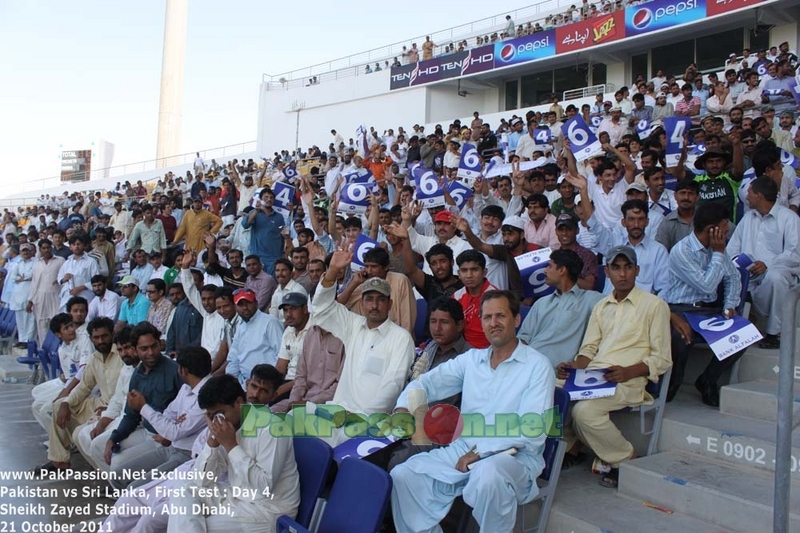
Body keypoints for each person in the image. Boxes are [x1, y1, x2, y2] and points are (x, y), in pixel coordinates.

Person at [390, 290, 555, 533]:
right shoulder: (472, 360)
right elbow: (427, 383)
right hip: (464, 449)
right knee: (404, 475)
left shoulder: (537, 366)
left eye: (501, 315)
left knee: (488, 475)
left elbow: (532, 429)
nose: (493, 323)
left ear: (516, 320)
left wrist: (482, 452)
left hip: (513, 457)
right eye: (487, 317)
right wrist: (404, 405)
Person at [558, 246, 671, 488]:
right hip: (596, 375)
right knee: (544, 388)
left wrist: (628, 372)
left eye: (628, 267)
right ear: (607, 272)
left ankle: (626, 458)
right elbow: (588, 349)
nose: (623, 274)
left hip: (628, 379)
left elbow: (662, 359)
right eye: (616, 268)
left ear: (637, 270)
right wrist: (574, 367)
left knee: (583, 412)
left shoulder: (655, 305)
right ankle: (566, 446)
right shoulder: (601, 306)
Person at [165, 374, 301, 533]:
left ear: (238, 402)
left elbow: (264, 486)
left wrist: (231, 445)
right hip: (236, 495)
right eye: (211, 416)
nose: (216, 420)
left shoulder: (272, 428)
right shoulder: (227, 425)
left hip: (268, 509)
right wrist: (212, 443)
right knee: (184, 489)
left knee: (201, 528)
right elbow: (201, 482)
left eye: (219, 413)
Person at [311, 251, 415, 445]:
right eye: (369, 299)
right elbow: (321, 310)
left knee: (323, 447)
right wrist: (332, 271)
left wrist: (361, 417)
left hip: (368, 424)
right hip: (337, 411)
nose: (374, 305)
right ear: (362, 302)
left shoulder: (401, 338)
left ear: (390, 304)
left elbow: (392, 386)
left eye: (380, 299)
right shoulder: (353, 325)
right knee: (293, 423)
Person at [662, 202, 742, 405]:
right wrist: (717, 253)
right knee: (680, 338)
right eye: (724, 226)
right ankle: (672, 385)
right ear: (711, 230)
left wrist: (729, 305)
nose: (727, 230)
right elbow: (706, 286)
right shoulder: (682, 251)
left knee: (742, 336)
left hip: (709, 311)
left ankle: (707, 380)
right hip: (680, 310)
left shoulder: (718, 249)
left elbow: (733, 276)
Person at [386, 297, 473, 471]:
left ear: (460, 325)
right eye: (433, 321)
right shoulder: (429, 350)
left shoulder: (468, 359)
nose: (437, 328)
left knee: (397, 462)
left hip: (439, 431)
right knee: (368, 451)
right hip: (409, 419)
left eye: (444, 322)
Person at [110, 345, 211, 489]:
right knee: (118, 475)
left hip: (188, 456)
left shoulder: (208, 394)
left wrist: (143, 407)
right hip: (171, 447)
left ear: (183, 370)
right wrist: (172, 427)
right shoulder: (186, 387)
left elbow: (173, 432)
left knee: (135, 489)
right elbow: (169, 413)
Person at [33, 317, 123, 474]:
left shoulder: (122, 356)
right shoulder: (95, 358)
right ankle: (59, 461)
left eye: (104, 336)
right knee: (59, 405)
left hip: (116, 409)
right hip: (100, 403)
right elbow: (84, 387)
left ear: (112, 334)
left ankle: (102, 468)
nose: (101, 341)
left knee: (78, 433)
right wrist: (66, 403)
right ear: (91, 338)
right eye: (96, 337)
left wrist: (109, 410)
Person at [105, 321, 183, 489]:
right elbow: (131, 415)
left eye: (154, 346)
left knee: (129, 478)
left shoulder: (174, 370)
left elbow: (190, 411)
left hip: (170, 440)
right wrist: (114, 438)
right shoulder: (138, 375)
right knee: (116, 469)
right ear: (135, 350)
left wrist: (172, 433)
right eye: (144, 349)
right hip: (149, 433)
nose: (151, 353)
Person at [728, 177, 800, 349]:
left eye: (750, 192)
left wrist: (767, 263)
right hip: (747, 274)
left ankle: (773, 333)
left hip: (778, 272)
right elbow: (732, 250)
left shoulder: (789, 218)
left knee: (775, 278)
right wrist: (741, 264)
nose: (747, 196)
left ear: (759, 196)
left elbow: (795, 253)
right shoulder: (747, 219)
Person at [518, 249, 604, 367]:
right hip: (527, 363)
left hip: (558, 369)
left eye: (549, 266)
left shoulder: (591, 300)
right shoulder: (541, 303)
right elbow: (523, 338)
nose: (545, 270)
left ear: (562, 270)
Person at [73, 326, 138, 471]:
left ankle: (117, 483)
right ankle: (110, 478)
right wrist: (101, 424)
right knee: (84, 435)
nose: (124, 354)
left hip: (134, 423)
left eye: (128, 348)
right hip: (120, 417)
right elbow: (117, 400)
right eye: (120, 350)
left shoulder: (142, 370)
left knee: (97, 444)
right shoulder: (126, 368)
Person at [30, 313, 94, 431]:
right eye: (66, 328)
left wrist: (65, 392)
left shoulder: (84, 339)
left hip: (85, 385)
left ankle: (64, 442)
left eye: (71, 325)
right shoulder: (62, 350)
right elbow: (70, 376)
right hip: (71, 384)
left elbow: (84, 369)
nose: (71, 330)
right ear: (58, 334)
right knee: (36, 405)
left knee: (46, 409)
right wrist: (63, 392)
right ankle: (57, 439)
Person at [339, 247, 416, 332]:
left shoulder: (400, 280)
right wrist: (354, 283)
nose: (369, 271)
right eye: (367, 266)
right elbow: (338, 305)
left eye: (373, 267)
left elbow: (407, 319)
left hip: (396, 337)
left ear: (386, 267)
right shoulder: (363, 283)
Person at [225, 288, 283, 385]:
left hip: (266, 383)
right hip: (243, 383)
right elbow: (233, 360)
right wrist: (239, 382)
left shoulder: (270, 322)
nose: (245, 307)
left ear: (256, 303)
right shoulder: (240, 328)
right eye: (241, 304)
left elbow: (281, 355)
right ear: (235, 307)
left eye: (248, 303)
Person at [453, 250, 499, 349]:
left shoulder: (496, 298)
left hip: (489, 349)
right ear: (459, 274)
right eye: (464, 270)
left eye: (474, 270)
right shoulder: (456, 297)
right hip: (461, 349)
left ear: (484, 272)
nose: (469, 275)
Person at [27, 238, 64, 346]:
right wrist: (30, 301)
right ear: (40, 250)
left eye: (48, 247)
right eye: (44, 248)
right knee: (42, 325)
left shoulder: (60, 261)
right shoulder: (38, 264)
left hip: (56, 297)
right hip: (40, 299)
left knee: (57, 324)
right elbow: (34, 284)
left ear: (51, 248)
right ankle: (44, 352)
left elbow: (65, 277)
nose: (46, 250)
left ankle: (57, 351)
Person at [242, 189, 284, 276]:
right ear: (260, 199)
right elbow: (245, 224)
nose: (269, 199)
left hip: (274, 258)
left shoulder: (279, 217)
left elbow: (282, 236)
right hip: (258, 258)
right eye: (266, 197)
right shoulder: (254, 213)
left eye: (271, 197)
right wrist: (256, 210)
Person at [56, 234, 99, 311]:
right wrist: (64, 279)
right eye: (74, 244)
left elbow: (96, 280)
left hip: (85, 296)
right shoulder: (67, 262)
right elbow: (59, 278)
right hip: (68, 297)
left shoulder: (91, 262)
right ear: (70, 247)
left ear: (83, 245)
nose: (76, 246)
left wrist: (81, 288)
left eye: (78, 244)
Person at [656, 180, 701, 252]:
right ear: (675, 196)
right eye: (682, 193)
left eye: (690, 193)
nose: (686, 197)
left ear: (698, 197)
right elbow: (660, 251)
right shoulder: (667, 222)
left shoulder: (707, 218)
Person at [7, 242, 37, 347]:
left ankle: (29, 341)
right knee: (20, 319)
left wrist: (21, 278)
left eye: (27, 251)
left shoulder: (35, 262)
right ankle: (22, 338)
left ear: (31, 251)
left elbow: (32, 275)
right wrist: (21, 278)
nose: (25, 253)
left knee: (29, 319)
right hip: (18, 295)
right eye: (23, 251)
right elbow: (12, 277)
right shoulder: (18, 263)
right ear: (20, 252)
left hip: (29, 293)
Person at [165, 282, 204, 357]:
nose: (175, 297)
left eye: (178, 293)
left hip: (196, 355)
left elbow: (202, 335)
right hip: (178, 355)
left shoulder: (203, 308)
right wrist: (168, 353)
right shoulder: (180, 306)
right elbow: (172, 332)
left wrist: (185, 352)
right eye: (172, 295)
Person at [269, 258, 309, 323]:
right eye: (277, 270)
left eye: (283, 270)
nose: (280, 273)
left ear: (291, 273)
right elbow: (273, 314)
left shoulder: (297, 290)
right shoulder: (277, 290)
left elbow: (298, 317)